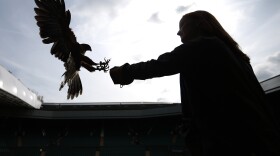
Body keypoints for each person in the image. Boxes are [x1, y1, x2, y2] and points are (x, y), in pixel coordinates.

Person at [109, 10, 280, 156]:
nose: (178, 33)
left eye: (182, 26)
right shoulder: (239, 58)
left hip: (230, 143)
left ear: (199, 24)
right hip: (258, 140)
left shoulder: (203, 46)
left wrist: (125, 72)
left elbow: (161, 65)